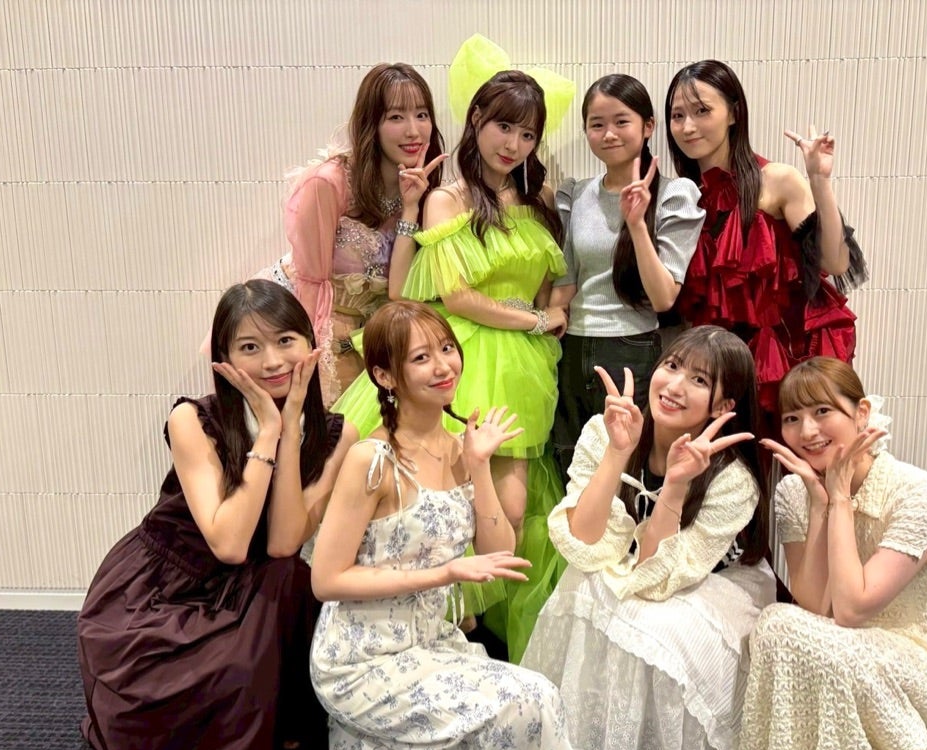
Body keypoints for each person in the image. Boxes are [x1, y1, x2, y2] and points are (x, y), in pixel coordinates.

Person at [310, 301, 614, 750]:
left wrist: (478, 467)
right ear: (385, 376)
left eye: (447, 349)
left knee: (539, 694)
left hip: (432, 642)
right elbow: (326, 580)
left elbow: (499, 552)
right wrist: (444, 575)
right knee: (522, 703)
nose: (443, 365)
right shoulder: (372, 459)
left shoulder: (458, 448)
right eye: (421, 357)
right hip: (361, 656)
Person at [77, 280, 357, 750]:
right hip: (171, 581)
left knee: (290, 577)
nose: (272, 361)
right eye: (250, 347)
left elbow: (283, 541)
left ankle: (270, 722)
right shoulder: (192, 419)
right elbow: (228, 543)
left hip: (257, 579)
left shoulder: (339, 435)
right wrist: (267, 434)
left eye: (286, 340)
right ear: (224, 359)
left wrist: (290, 430)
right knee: (221, 667)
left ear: (311, 343)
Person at [333, 69, 569, 654]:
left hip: (525, 368)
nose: (513, 144)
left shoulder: (538, 200)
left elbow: (555, 279)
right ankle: (444, 624)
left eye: (528, 134)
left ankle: (472, 630)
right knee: (444, 494)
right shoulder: (448, 199)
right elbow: (454, 297)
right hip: (463, 357)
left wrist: (554, 308)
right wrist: (535, 320)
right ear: (477, 122)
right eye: (504, 127)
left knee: (511, 510)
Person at [521, 326, 777, 750]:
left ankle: (647, 745)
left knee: (644, 614)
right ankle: (588, 731)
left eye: (699, 380)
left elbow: (657, 579)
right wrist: (618, 451)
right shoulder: (608, 429)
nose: (675, 386)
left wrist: (676, 486)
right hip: (633, 562)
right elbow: (584, 540)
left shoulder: (733, 478)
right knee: (584, 579)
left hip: (711, 583)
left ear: (724, 406)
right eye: (672, 366)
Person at [738, 357, 927, 750]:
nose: (807, 431)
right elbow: (817, 606)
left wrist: (840, 500)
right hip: (847, 641)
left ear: (862, 413)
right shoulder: (793, 492)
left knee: (841, 650)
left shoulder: (918, 492)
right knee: (774, 622)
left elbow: (851, 610)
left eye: (822, 412)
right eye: (791, 418)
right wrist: (819, 504)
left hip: (926, 661)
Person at [665, 60, 867, 419]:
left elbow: (835, 263)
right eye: (677, 116)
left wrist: (819, 179)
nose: (688, 126)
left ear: (734, 113)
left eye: (702, 111)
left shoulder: (776, 180)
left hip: (789, 355)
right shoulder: (682, 197)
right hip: (718, 368)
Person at [257, 62, 446, 404]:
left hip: (372, 334)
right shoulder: (329, 183)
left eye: (422, 115)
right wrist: (314, 365)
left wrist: (411, 208)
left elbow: (404, 289)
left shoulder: (425, 186)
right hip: (310, 322)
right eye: (396, 117)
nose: (413, 131)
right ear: (371, 123)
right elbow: (311, 284)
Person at [550, 74, 705, 475]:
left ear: (648, 126)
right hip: (571, 350)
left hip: (630, 350)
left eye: (621, 121)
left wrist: (636, 225)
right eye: (596, 124)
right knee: (571, 465)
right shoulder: (575, 193)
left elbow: (664, 298)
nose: (608, 134)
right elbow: (566, 277)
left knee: (624, 471)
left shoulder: (674, 194)